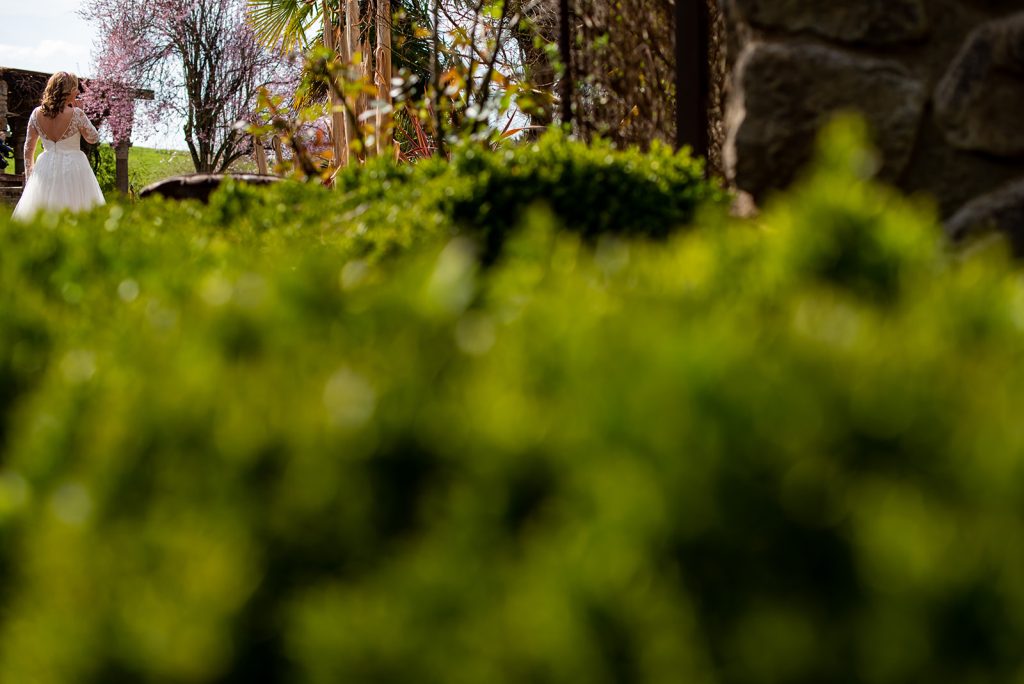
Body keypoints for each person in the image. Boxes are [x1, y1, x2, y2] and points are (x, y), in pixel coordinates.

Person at [12, 71, 105, 221]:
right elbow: (93, 138)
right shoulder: (77, 114)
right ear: (68, 91)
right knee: (77, 211)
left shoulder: (36, 114)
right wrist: (82, 113)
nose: (77, 92)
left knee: (41, 215)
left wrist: (30, 178)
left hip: (45, 167)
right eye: (75, 88)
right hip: (74, 168)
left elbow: (28, 148)